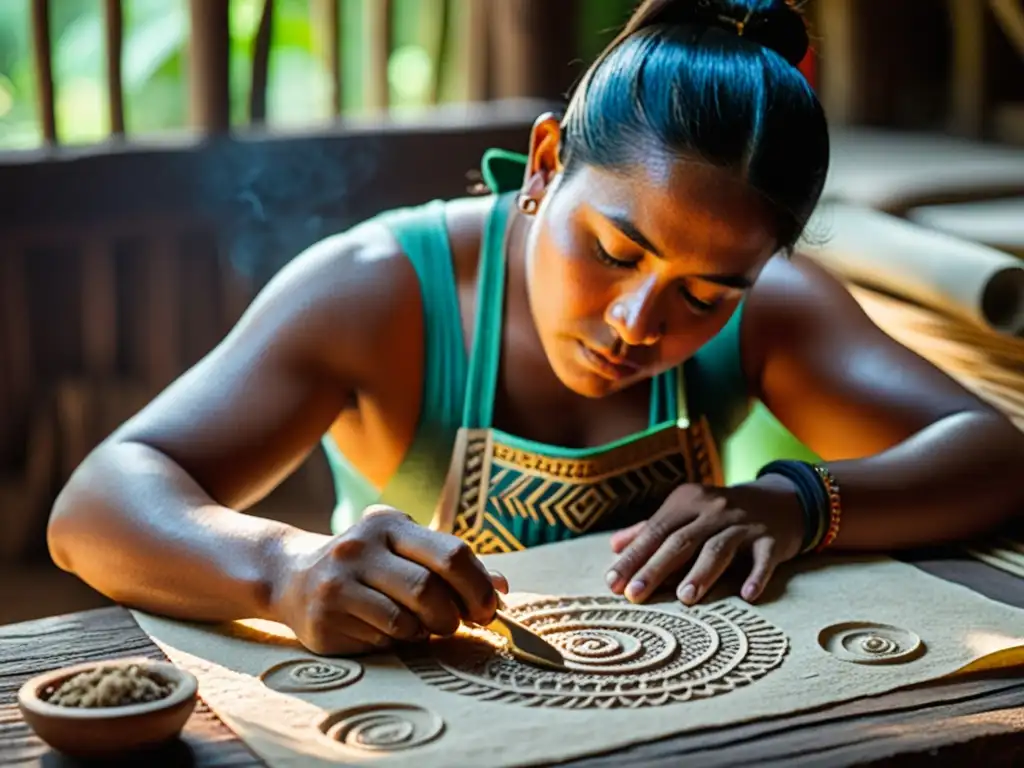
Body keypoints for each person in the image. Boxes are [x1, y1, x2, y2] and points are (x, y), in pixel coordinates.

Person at [47, 0, 1023, 657]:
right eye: (614, 250)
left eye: (706, 293)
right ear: (547, 163)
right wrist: (281, 571)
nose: (640, 323)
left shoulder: (767, 311)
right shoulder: (381, 290)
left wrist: (801, 502)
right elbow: (95, 505)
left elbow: (994, 455)